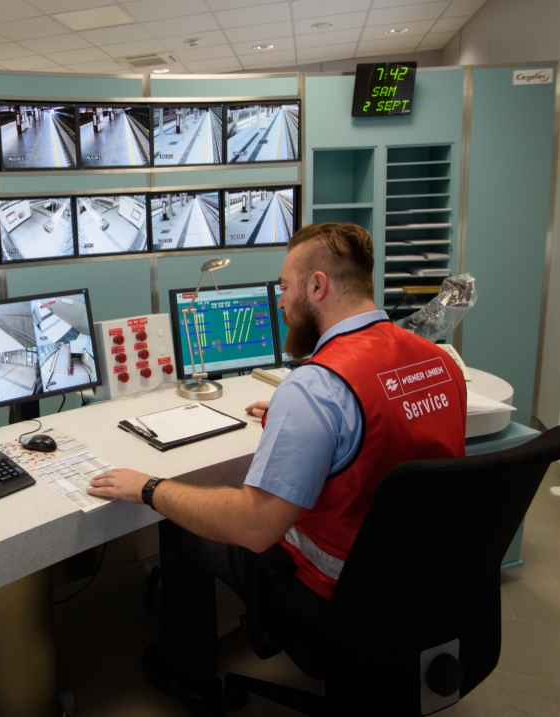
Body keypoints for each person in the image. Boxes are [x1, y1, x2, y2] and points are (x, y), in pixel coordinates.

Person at [87, 222, 467, 717]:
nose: (281, 303)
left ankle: (188, 677)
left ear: (317, 286)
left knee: (178, 527)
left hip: (337, 592)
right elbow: (394, 435)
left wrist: (150, 487)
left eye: (284, 287)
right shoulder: (439, 362)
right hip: (424, 579)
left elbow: (255, 526)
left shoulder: (316, 388)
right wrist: (305, 427)